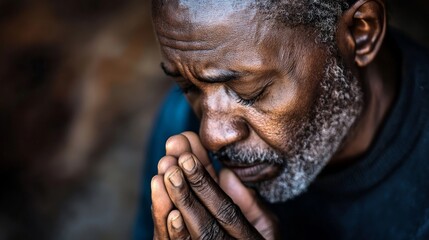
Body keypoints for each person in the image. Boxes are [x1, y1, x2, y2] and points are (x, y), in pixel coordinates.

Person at [134, 0, 429, 239]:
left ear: (360, 32)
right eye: (187, 86)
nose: (211, 135)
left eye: (252, 90)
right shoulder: (182, 124)